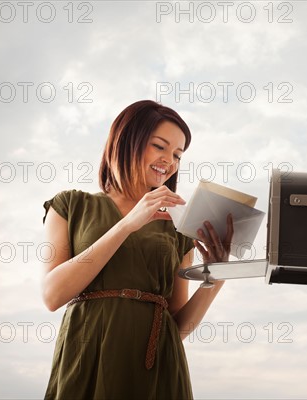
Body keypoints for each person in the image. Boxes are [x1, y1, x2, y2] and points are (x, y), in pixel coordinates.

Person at [41, 100, 233, 399]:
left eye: (178, 155)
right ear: (127, 141)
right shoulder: (71, 205)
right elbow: (53, 295)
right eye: (160, 146)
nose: (169, 161)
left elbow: (177, 326)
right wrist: (127, 224)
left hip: (158, 368)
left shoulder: (178, 226)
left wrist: (216, 278)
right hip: (87, 356)